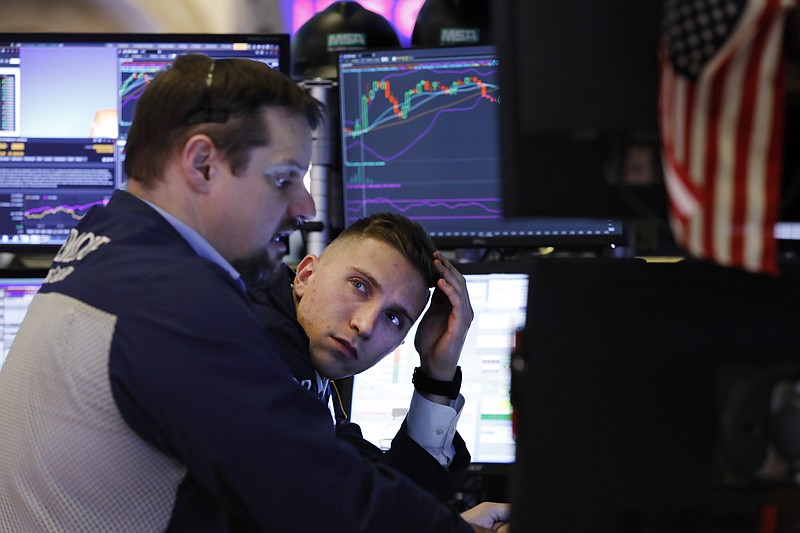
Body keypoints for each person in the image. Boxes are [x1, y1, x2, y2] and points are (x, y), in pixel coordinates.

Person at [0, 55, 509, 532]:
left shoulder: (108, 246)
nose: (304, 205)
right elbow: (326, 501)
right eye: (284, 178)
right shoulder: (173, 300)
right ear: (202, 164)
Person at [242, 212, 475, 506]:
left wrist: (437, 375)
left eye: (393, 318)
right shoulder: (257, 344)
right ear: (305, 276)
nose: (365, 325)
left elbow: (389, 494)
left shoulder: (314, 365)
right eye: (359, 285)